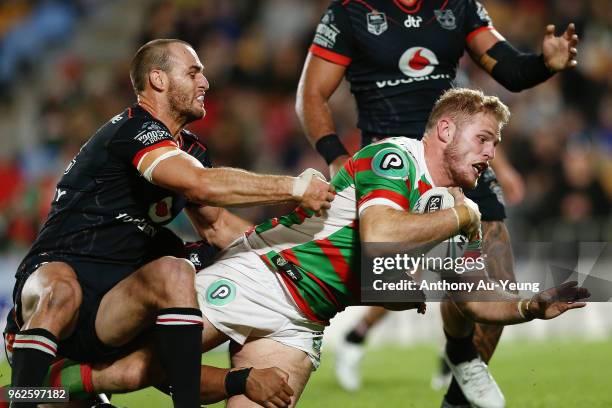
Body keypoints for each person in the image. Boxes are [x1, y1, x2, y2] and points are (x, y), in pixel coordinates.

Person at [51, 88, 589, 408]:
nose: (492, 154)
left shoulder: (455, 209)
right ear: (445, 129)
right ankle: (32, 392)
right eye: (485, 139)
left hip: (305, 321)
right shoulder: (396, 161)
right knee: (136, 371)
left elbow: (468, 301)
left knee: (261, 393)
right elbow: (379, 235)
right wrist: (462, 217)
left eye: (496, 144)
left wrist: (531, 306)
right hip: (261, 276)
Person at [6, 38, 334, 408]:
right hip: (55, 281)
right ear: (158, 79)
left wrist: (293, 257)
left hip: (113, 304)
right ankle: (24, 399)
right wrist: (294, 186)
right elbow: (198, 182)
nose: (205, 83)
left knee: (176, 272)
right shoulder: (132, 130)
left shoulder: (190, 149)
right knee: (63, 291)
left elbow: (218, 227)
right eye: (193, 72)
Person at [295, 1, 578, 406]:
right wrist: (338, 157)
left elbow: (510, 70)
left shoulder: (458, 6)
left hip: (460, 158)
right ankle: (436, 346)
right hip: (396, 169)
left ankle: (458, 386)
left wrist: (545, 64)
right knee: (404, 283)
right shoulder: (349, 13)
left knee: (496, 286)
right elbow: (311, 95)